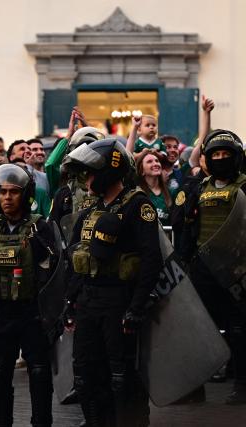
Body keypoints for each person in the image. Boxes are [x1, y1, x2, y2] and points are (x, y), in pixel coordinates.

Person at [62, 139, 162, 426]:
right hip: (88, 303)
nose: (87, 179)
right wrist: (70, 303)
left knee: (122, 377)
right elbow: (75, 259)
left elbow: (151, 260)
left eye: (91, 172)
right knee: (85, 375)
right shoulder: (90, 211)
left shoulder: (138, 205)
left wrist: (136, 307)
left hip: (119, 301)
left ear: (108, 170)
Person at [0, 164, 57, 427]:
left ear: (25, 194)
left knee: (39, 374)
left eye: (13, 192)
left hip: (32, 313)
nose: (7, 197)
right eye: (2, 192)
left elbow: (55, 272)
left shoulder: (40, 228)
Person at [173, 129, 246, 404]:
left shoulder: (244, 185)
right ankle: (194, 387)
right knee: (197, 329)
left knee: (239, 329)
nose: (221, 158)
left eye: (226, 154)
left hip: (238, 270)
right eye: (215, 154)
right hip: (203, 269)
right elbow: (182, 226)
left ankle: (242, 384)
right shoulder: (197, 188)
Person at [48, 127, 104, 233]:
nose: (86, 157)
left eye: (91, 151)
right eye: (82, 151)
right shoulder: (64, 193)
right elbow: (53, 228)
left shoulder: (109, 188)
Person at [136, 150, 172, 226]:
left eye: (157, 161)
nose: (155, 164)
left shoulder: (171, 192)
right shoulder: (137, 194)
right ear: (142, 170)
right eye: (149, 161)